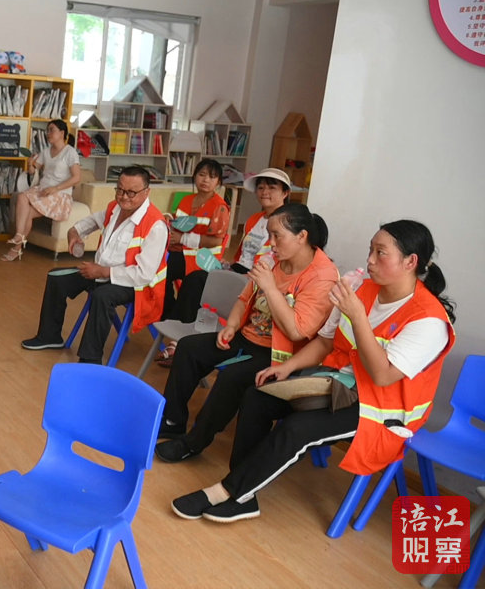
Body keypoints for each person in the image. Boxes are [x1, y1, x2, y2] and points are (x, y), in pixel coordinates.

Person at [170, 220, 456, 523]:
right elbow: (325, 341)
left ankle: (228, 491)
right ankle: (244, 492)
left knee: (298, 428)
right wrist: (287, 367)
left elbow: (382, 376)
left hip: (380, 409)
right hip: (337, 383)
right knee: (257, 395)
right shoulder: (362, 289)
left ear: (410, 262)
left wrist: (358, 317)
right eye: (370, 250)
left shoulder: (428, 320)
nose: (370, 260)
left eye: (380, 253)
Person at [155, 203, 339, 462]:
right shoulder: (273, 260)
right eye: (270, 235)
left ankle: (194, 442)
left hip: (280, 353)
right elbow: (244, 299)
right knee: (188, 348)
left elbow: (297, 331)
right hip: (248, 336)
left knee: (232, 377)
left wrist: (271, 288)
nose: (271, 243)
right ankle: (173, 421)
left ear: (302, 236)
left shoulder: (323, 276)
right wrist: (231, 326)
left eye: (277, 236)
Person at [19, 166, 168, 364]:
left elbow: (144, 274)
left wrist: (103, 271)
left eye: (131, 193)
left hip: (136, 285)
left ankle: (90, 360)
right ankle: (50, 336)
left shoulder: (155, 225)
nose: (124, 197)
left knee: (102, 296)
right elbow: (90, 222)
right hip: (101, 272)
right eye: (120, 190)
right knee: (57, 277)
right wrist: (74, 232)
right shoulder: (115, 208)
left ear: (146, 192)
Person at [156, 167, 292, 366]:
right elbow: (243, 253)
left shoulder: (286, 225)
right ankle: (182, 337)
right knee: (195, 279)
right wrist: (227, 265)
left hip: (257, 279)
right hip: (238, 269)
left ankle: (181, 341)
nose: (264, 192)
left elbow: (279, 262)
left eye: (272, 188)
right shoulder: (254, 219)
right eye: (261, 187)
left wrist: (249, 276)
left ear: (285, 193)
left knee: (197, 280)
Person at [1, 119, 82, 262]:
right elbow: (33, 171)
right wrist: (30, 165)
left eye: (52, 130)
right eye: (47, 130)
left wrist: (55, 188)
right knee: (22, 197)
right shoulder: (46, 151)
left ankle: (16, 248)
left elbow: (77, 178)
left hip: (59, 194)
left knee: (27, 212)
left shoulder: (70, 152)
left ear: (62, 133)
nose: (48, 133)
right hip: (43, 190)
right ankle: (19, 237)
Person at [161, 158, 230, 318]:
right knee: (157, 270)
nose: (206, 180)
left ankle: (173, 317)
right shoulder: (186, 200)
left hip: (202, 259)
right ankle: (167, 314)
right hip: (181, 253)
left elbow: (216, 241)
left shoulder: (219, 207)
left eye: (212, 177)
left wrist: (182, 239)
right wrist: (169, 224)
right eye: (202, 174)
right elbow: (178, 224)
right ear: (194, 176)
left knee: (166, 271)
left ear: (218, 182)